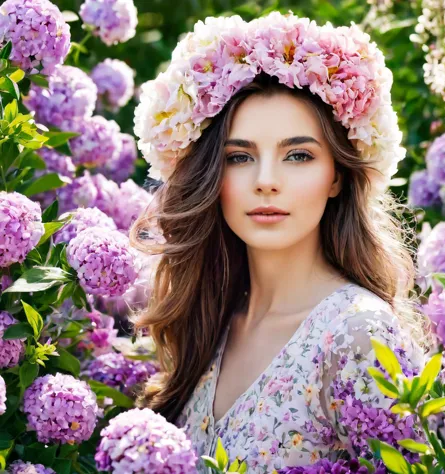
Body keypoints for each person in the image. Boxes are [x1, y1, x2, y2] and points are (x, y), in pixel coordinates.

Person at [130, 11, 429, 473]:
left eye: (297, 155)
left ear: (336, 177)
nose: (266, 181)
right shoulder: (212, 322)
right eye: (239, 156)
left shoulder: (358, 337)